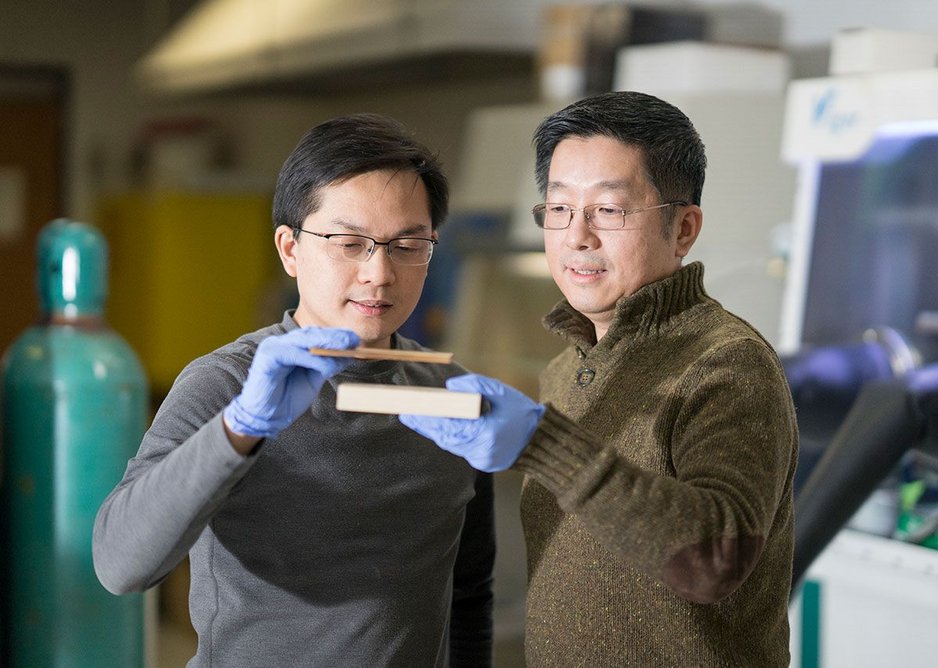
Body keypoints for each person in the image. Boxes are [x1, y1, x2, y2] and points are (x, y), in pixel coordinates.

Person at [400, 91, 799, 666]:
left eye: (609, 210)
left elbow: (715, 561)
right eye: (558, 209)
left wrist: (544, 445)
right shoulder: (568, 368)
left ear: (683, 229)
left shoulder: (727, 362)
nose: (576, 236)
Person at [93, 113, 495, 667]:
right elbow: (120, 564)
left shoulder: (453, 394)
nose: (379, 273)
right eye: (350, 243)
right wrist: (242, 428)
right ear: (290, 249)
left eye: (407, 245)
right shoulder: (227, 382)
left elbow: (469, 592)